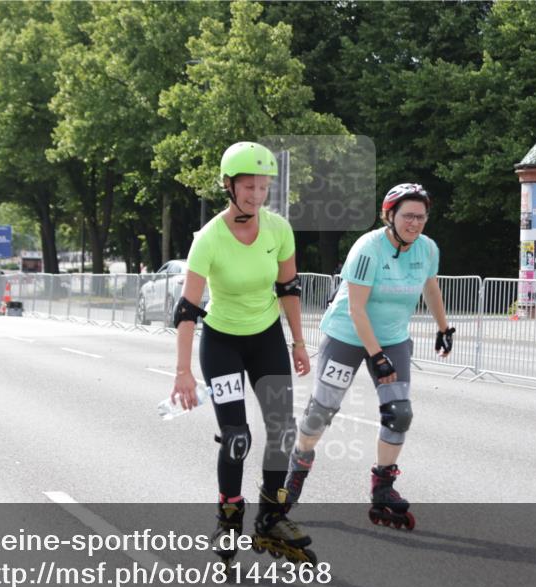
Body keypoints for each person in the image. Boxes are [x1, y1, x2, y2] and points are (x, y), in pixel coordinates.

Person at [170, 141, 313, 563]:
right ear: (229, 186)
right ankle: (228, 516)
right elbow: (188, 308)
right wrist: (182, 371)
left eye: (263, 187)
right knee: (237, 438)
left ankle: (271, 517)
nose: (256, 194)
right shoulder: (209, 238)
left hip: (266, 338)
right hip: (223, 343)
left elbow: (288, 289)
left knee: (283, 430)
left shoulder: (278, 229)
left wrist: (299, 342)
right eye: (248, 186)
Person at [283, 183, 454, 530]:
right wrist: (375, 356)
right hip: (348, 333)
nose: (415, 223)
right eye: (407, 216)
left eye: (421, 217)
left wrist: (443, 327)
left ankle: (383, 486)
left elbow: (430, 286)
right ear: (388, 216)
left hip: (392, 337)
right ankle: (298, 466)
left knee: (399, 412)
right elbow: (357, 309)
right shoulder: (367, 248)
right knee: (321, 412)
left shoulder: (427, 249)